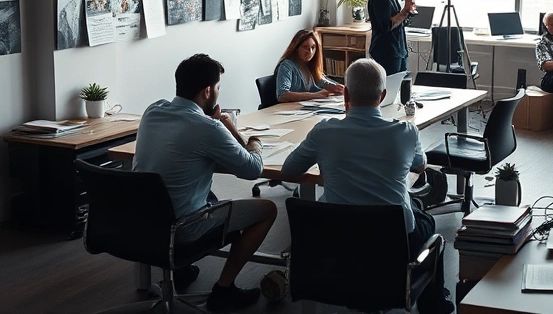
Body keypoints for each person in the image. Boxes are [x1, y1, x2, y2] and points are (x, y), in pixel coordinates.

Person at [281, 59, 455, 314]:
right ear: (383, 95)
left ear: (346, 94)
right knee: (425, 220)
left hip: (335, 237)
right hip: (394, 239)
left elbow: (289, 171)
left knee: (412, 210)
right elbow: (420, 165)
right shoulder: (405, 132)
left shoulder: (324, 132)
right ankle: (435, 305)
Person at [133, 54, 276, 311]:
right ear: (208, 91)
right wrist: (252, 140)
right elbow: (253, 168)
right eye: (219, 88)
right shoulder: (208, 128)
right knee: (267, 209)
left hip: (139, 222)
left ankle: (182, 270)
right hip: (183, 229)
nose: (219, 93)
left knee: (195, 187)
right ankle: (224, 289)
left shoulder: (153, 110)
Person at [368, 0, 415, 75]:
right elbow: (386, 26)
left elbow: (397, 21)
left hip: (397, 51)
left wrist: (407, 13)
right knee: (390, 88)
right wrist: (404, 12)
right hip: (387, 53)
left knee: (401, 87)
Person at [275, 29, 344, 102]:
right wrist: (316, 95)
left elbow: (323, 82)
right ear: (296, 48)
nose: (310, 52)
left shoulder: (310, 65)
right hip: (288, 109)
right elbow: (282, 95)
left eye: (313, 47)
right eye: (305, 47)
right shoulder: (287, 66)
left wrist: (336, 87)